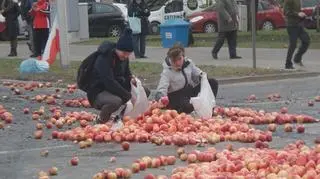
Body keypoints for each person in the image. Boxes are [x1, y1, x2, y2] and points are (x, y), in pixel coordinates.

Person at [86, 28, 150, 124]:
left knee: (144, 91)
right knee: (116, 101)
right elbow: (109, 82)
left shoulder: (124, 58)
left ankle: (123, 117)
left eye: (128, 54)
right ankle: (101, 120)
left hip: (116, 87)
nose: (125, 56)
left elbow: (127, 73)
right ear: (117, 49)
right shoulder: (104, 58)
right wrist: (128, 95)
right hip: (99, 91)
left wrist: (131, 80)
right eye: (124, 53)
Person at [155, 44, 219, 114]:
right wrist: (161, 98)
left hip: (188, 91)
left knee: (213, 82)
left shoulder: (188, 63)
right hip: (176, 97)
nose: (178, 63)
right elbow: (161, 89)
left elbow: (197, 75)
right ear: (170, 59)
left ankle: (209, 109)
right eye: (174, 61)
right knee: (189, 107)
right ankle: (191, 109)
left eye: (179, 59)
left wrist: (202, 77)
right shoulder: (167, 71)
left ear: (183, 56)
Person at [283, 0, 310, 69]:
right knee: (293, 45)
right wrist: (297, 14)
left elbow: (297, 11)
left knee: (306, 41)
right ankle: (288, 64)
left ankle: (297, 59)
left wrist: (302, 14)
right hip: (291, 25)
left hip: (298, 25)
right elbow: (286, 12)